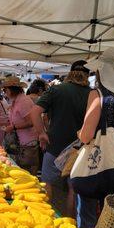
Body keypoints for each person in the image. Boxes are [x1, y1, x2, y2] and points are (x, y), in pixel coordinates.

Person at [31, 60, 90, 216]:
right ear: (87, 75)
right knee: (73, 189)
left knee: (47, 184)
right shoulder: (92, 94)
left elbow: (34, 112)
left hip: (54, 146)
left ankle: (45, 219)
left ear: (70, 73)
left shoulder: (56, 90)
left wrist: (42, 133)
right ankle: (69, 224)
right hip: (80, 150)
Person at [77, 48, 114, 228]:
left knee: (91, 208)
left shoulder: (99, 94)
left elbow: (87, 135)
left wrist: (80, 133)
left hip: (106, 164)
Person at [2, 76, 39, 174]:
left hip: (28, 143)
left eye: (5, 89)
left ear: (11, 90)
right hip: (21, 143)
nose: (4, 92)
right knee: (22, 171)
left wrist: (13, 127)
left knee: (27, 172)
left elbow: (31, 121)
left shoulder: (23, 101)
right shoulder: (16, 101)